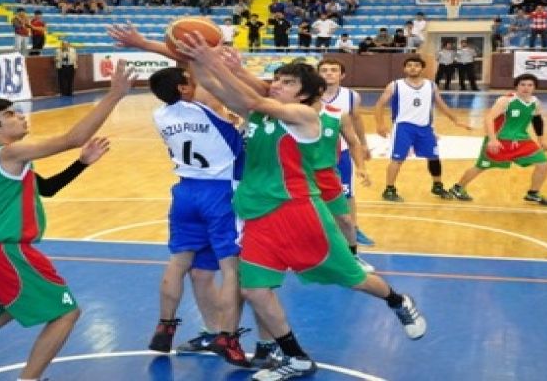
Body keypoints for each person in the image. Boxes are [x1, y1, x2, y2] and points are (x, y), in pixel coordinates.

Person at [176, 38, 427, 381]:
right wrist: (193, 58)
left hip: (299, 212)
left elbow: (250, 96)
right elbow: (214, 86)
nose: (277, 84)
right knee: (254, 289)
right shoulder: (259, 113)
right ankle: (296, 357)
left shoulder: (304, 115)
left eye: (287, 82)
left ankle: (398, 300)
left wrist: (216, 61)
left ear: (305, 94)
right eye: (276, 79)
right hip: (258, 215)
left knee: (352, 278)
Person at [0, 63, 137, 381]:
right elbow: (73, 137)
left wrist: (81, 165)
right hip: (6, 249)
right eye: (10, 114)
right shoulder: (9, 153)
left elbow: (45, 189)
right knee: (67, 313)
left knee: (7, 308)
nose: (21, 116)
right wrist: (114, 95)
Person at [145, 67, 248, 366]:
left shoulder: (160, 115)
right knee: (231, 269)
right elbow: (214, 87)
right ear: (184, 88)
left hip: (186, 191)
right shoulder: (208, 109)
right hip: (220, 192)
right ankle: (227, 339)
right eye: (190, 81)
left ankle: (165, 327)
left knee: (183, 264)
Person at [374, 56, 471, 202]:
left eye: (417, 65)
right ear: (404, 68)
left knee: (434, 158)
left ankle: (437, 186)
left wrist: (456, 120)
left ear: (422, 68)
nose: (413, 68)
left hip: (425, 128)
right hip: (403, 127)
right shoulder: (395, 85)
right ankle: (389, 189)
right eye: (410, 65)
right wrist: (380, 124)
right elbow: (379, 105)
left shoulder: (431, 85)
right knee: (397, 159)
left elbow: (441, 104)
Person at [449, 74, 547, 206]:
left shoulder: (535, 102)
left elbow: (537, 120)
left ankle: (533, 193)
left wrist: (541, 139)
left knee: (544, 165)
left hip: (522, 140)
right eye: (522, 84)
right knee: (481, 166)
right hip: (500, 140)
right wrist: (493, 140)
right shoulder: (506, 101)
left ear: (534, 88)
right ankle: (458, 188)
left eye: (530, 85)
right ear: (517, 86)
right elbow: (489, 118)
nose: (526, 88)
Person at [318, 58, 375, 247]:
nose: (329, 73)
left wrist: (363, 144)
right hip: (312, 155)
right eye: (324, 70)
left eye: (333, 70)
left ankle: (354, 228)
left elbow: (356, 120)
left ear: (342, 75)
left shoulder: (351, 96)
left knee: (347, 193)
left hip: (340, 152)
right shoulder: (308, 96)